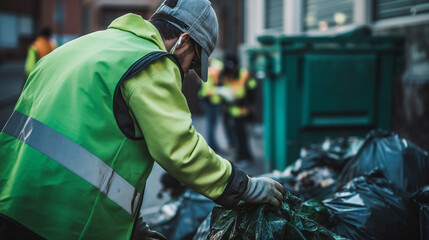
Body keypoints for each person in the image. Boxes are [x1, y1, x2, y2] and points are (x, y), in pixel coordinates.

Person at [0, 0, 286, 239]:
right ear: (184, 40)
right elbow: (180, 150)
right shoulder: (153, 62)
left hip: (11, 204)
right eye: (194, 62)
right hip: (65, 224)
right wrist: (245, 186)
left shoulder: (79, 47)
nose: (187, 72)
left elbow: (92, 140)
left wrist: (130, 223)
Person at [220, 53, 258, 165]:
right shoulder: (225, 74)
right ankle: (240, 154)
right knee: (235, 135)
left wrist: (246, 102)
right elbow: (224, 87)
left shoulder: (244, 74)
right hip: (230, 109)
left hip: (241, 110)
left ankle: (245, 156)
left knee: (242, 135)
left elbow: (252, 90)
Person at [198, 57, 224, 151]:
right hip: (210, 101)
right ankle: (212, 145)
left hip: (211, 100)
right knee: (211, 124)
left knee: (212, 124)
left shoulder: (209, 71)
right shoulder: (212, 72)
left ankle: (213, 144)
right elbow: (207, 91)